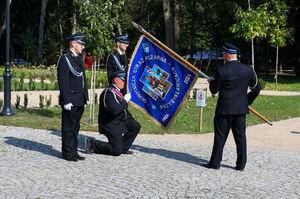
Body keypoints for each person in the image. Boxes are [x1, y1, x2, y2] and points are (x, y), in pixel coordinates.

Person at [203, 42, 261, 171]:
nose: (223, 56)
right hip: (240, 110)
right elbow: (257, 88)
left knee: (220, 136)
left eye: (223, 54)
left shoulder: (222, 71)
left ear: (228, 55)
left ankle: (215, 162)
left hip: (224, 109)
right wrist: (247, 101)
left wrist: (211, 82)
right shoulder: (248, 69)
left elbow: (214, 90)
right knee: (240, 137)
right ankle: (241, 165)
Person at [84, 71, 141, 156]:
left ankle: (124, 148)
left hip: (119, 121)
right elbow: (114, 110)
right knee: (116, 151)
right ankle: (93, 144)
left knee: (135, 126)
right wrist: (125, 101)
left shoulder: (117, 91)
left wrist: (130, 119)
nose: (124, 82)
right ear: (115, 80)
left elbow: (124, 111)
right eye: (123, 80)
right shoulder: (108, 93)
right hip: (110, 123)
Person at [57, 33, 89, 162]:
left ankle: (74, 151)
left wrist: (85, 97)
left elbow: (83, 80)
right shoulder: (65, 59)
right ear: (73, 44)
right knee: (68, 128)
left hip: (79, 99)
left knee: (75, 128)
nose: (82, 47)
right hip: (70, 99)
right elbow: (63, 81)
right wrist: (66, 100)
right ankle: (67, 153)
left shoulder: (78, 59)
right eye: (81, 44)